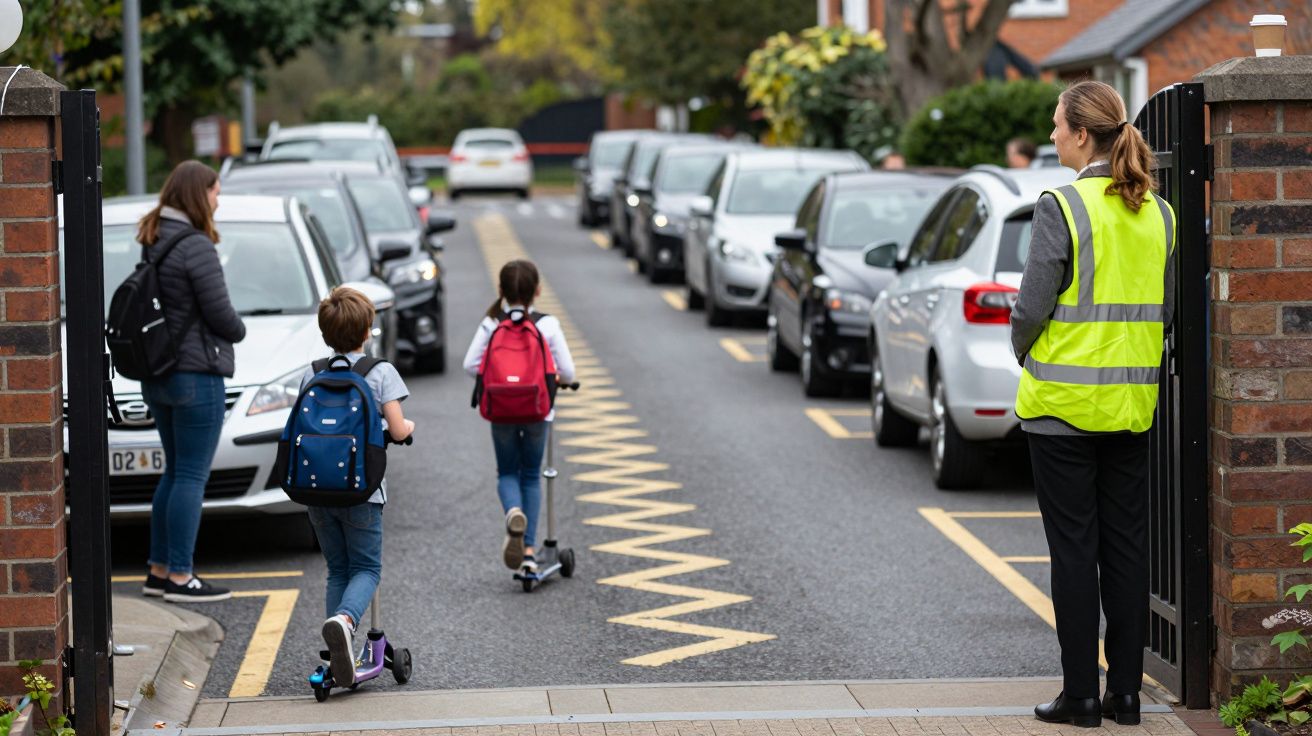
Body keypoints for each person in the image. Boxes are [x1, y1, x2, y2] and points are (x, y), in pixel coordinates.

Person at [1010, 80, 1175, 728]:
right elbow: (1168, 311)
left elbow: (1030, 309)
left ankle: (1081, 696)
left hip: (1062, 412)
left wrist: (1026, 355)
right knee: (1128, 552)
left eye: (1056, 125)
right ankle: (1127, 696)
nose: (1052, 135)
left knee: (1075, 552)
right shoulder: (1159, 213)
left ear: (1083, 134)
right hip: (1131, 408)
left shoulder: (1064, 204)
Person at [138, 161, 246, 604]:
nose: (218, 201)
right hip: (196, 375)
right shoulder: (196, 246)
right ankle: (181, 576)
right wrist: (238, 329)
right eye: (216, 192)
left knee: (174, 471)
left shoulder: (155, 238)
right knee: (190, 475)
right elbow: (221, 315)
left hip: (160, 372)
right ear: (199, 194)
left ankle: (159, 570)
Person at [303, 287, 414, 685]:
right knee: (366, 567)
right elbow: (398, 430)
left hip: (316, 488)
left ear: (324, 332)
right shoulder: (379, 372)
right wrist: (407, 429)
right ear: (368, 330)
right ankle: (346, 622)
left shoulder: (312, 372)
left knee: (337, 568)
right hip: (362, 489)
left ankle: (339, 652)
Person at [463, 260, 575, 575]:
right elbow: (568, 371)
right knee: (530, 475)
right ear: (537, 290)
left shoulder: (491, 324)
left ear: (501, 291)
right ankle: (528, 550)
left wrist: (496, 377)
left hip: (501, 409)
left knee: (507, 472)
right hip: (538, 410)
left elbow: (470, 364)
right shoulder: (548, 325)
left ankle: (513, 511)